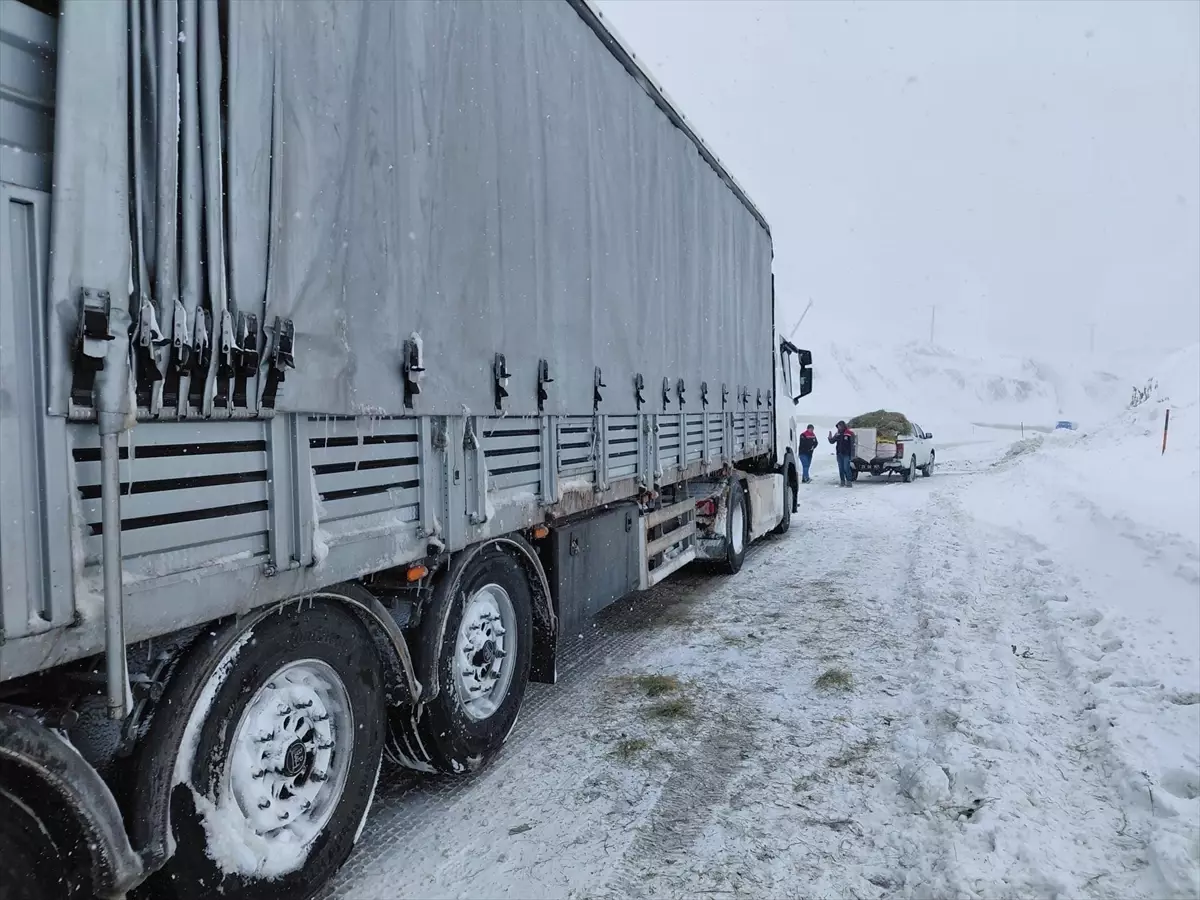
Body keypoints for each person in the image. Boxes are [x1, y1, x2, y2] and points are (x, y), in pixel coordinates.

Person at [828, 420, 856, 487]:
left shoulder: (849, 433)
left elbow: (852, 445)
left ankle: (849, 481)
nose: (839, 427)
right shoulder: (837, 434)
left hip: (846, 454)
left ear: (843, 426)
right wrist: (830, 438)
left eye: (840, 426)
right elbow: (832, 441)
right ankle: (842, 481)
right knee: (841, 468)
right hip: (839, 454)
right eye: (838, 426)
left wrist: (852, 455)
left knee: (846, 468)